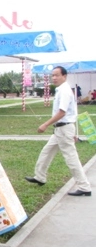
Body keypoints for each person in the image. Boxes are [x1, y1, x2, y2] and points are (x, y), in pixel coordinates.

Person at [25, 66, 91, 196]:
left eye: (57, 75)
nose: (54, 78)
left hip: (64, 129)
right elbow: (72, 111)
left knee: (71, 158)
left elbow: (62, 112)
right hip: (60, 129)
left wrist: (45, 124)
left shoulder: (65, 91)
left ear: (64, 76)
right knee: (46, 152)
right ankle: (40, 177)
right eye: (52, 75)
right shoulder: (61, 90)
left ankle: (84, 187)